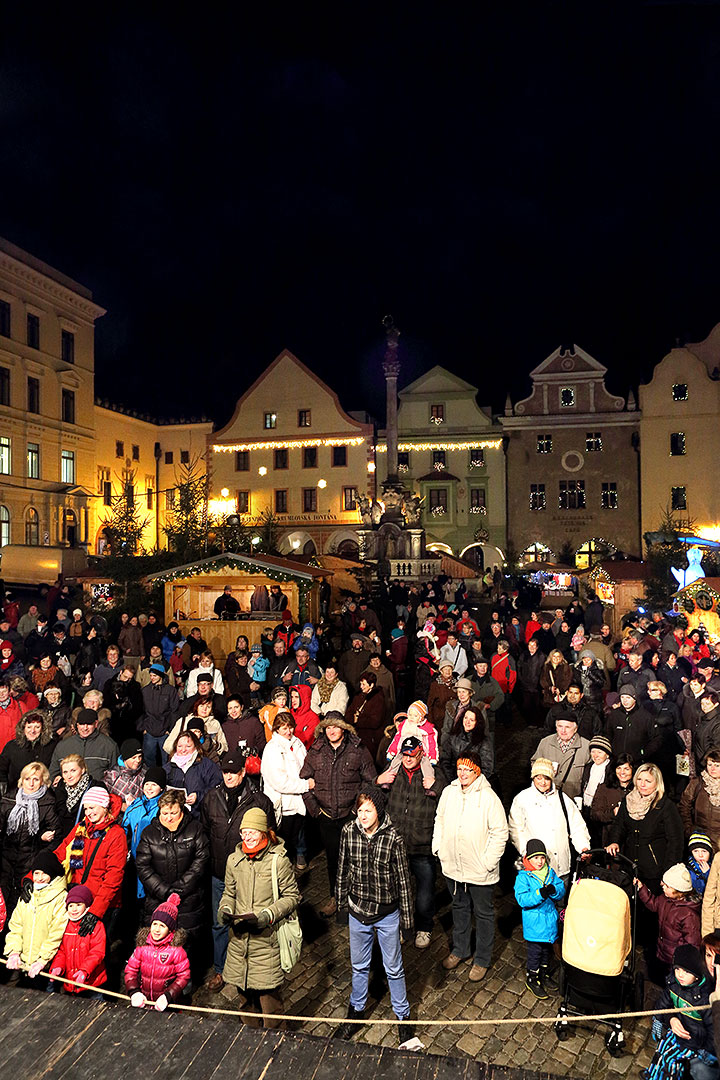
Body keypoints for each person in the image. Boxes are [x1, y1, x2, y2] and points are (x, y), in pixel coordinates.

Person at [336, 787, 414, 1045]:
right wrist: (341, 905)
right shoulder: (349, 832)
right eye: (360, 810)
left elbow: (404, 881)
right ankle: (356, 1010)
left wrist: (407, 922)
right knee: (359, 967)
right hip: (358, 912)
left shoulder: (393, 838)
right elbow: (342, 869)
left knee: (394, 968)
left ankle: (403, 1017)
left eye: (368, 810)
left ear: (378, 811)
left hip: (387, 914)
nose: (363, 815)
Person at [200, 752, 276, 993]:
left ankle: (250, 972)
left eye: (234, 772)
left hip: (250, 874)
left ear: (243, 773)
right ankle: (222, 969)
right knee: (220, 922)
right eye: (225, 772)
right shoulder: (211, 797)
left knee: (249, 923)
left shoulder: (259, 800)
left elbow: (271, 836)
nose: (229, 776)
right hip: (219, 873)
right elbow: (204, 832)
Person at [219, 806, 300, 1028]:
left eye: (252, 832)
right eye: (244, 832)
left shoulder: (278, 861)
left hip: (266, 943)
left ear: (264, 832)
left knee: (270, 1006)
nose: (248, 837)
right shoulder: (234, 860)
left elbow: (292, 897)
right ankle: (250, 1042)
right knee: (245, 1002)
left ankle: (275, 1045)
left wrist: (267, 915)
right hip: (239, 942)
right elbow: (229, 894)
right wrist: (225, 910)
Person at [433, 751, 509, 981]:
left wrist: (487, 862)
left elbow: (500, 833)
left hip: (479, 870)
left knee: (483, 914)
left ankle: (482, 959)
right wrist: (439, 847)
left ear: (476, 771)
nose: (462, 773)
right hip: (453, 866)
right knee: (459, 908)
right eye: (459, 768)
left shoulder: (488, 798)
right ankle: (460, 949)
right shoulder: (449, 792)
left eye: (467, 769)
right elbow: (440, 819)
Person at [300, 712, 377, 917]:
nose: (332, 731)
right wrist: (315, 810)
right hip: (326, 816)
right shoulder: (315, 751)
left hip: (350, 816)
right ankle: (335, 897)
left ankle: (358, 898)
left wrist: (356, 810)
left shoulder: (357, 750)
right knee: (333, 859)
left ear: (343, 728)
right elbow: (304, 781)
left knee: (356, 859)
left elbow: (370, 781)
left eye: (335, 727)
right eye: (328, 728)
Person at [378, 736, 447, 948]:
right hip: (396, 843)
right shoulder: (393, 769)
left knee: (425, 891)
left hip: (422, 842)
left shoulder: (433, 772)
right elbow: (374, 794)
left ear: (421, 754)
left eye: (412, 755)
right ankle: (402, 925)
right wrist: (377, 780)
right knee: (397, 888)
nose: (408, 759)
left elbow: (448, 795)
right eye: (405, 754)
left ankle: (424, 927)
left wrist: (436, 786)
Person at [135, 790, 209, 961]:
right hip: (157, 899)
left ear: (181, 810)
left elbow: (201, 860)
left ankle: (185, 982)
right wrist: (165, 892)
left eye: (173, 813)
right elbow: (143, 865)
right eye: (165, 813)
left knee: (185, 946)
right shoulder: (149, 832)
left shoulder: (195, 829)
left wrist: (180, 889)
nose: (169, 817)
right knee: (156, 945)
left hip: (188, 899)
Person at [53, 786, 128, 937]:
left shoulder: (116, 834)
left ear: (104, 806)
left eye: (92, 808)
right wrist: (32, 875)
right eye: (86, 809)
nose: (88, 813)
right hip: (78, 899)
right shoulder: (82, 828)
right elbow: (59, 854)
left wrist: (96, 911)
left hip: (103, 904)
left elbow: (114, 876)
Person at [508, 759, 590, 889]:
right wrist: (527, 852)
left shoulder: (562, 798)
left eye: (546, 778)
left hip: (561, 867)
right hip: (535, 869)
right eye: (538, 778)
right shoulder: (522, 799)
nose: (542, 782)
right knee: (538, 904)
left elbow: (577, 825)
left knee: (561, 904)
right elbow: (516, 830)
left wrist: (583, 847)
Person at [607, 763, 684, 894]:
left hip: (655, 871)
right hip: (630, 866)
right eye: (639, 779)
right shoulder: (628, 800)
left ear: (657, 783)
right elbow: (619, 825)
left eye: (648, 781)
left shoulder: (666, 806)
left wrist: (668, 873)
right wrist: (614, 841)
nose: (642, 784)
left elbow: (675, 842)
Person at [643, 944, 717, 1080]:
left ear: (696, 975)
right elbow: (663, 1004)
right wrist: (661, 1019)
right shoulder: (673, 984)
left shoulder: (704, 999)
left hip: (693, 1042)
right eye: (677, 969)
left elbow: (713, 1029)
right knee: (661, 1050)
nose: (680, 975)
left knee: (672, 1062)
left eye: (687, 972)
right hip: (676, 1031)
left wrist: (706, 1051)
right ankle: (653, 1075)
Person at [0, 761, 59, 911]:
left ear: (43, 781)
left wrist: (40, 844)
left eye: (36, 779)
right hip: (6, 858)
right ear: (22, 780)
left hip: (31, 859)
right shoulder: (9, 799)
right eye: (27, 779)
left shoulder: (48, 802)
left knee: (21, 901)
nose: (31, 784)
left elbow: (56, 834)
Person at [3, 850, 67, 981]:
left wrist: (43, 959)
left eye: (44, 873)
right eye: (36, 873)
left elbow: (57, 933)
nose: (40, 877)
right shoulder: (28, 895)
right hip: (24, 963)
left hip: (46, 966)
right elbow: (16, 926)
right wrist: (14, 951)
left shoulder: (60, 898)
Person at [514, 838, 565, 999]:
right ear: (528, 858)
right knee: (535, 953)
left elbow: (560, 889)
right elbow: (522, 899)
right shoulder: (523, 877)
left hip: (549, 921)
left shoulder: (550, 872)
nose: (540, 861)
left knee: (545, 952)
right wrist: (539, 893)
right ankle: (532, 979)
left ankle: (544, 974)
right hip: (535, 924)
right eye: (536, 858)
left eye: (542, 857)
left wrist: (554, 890)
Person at [125, 892, 192, 1011]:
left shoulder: (176, 951)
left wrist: (169, 995)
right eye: (154, 924)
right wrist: (134, 991)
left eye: (162, 926)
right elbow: (130, 970)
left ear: (170, 929)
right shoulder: (142, 947)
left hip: (167, 1004)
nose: (156, 929)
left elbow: (184, 976)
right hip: (144, 1001)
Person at [637, 863, 702, 985]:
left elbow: (692, 943)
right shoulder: (665, 899)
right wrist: (642, 888)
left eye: (667, 886)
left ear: (678, 891)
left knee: (672, 981)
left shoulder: (689, 915)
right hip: (663, 951)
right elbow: (653, 904)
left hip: (675, 959)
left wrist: (683, 962)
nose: (662, 886)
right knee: (661, 977)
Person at [261, 713, 310, 870]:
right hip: (283, 806)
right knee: (284, 843)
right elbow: (279, 782)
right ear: (277, 729)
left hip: (299, 803)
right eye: (284, 728)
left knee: (297, 836)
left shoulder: (298, 744)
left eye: (290, 727)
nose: (288, 732)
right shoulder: (272, 748)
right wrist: (305, 786)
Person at [49, 884, 107, 996]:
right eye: (71, 905)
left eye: (79, 905)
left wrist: (84, 970)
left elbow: (97, 952)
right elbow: (62, 951)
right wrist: (57, 966)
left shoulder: (96, 926)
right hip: (70, 983)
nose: (74, 909)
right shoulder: (65, 925)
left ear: (86, 906)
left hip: (92, 984)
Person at [48, 708, 119, 782]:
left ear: (96, 724)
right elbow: (53, 774)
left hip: (97, 791)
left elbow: (116, 775)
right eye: (81, 724)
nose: (85, 728)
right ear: (77, 725)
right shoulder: (63, 746)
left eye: (89, 724)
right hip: (66, 792)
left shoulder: (109, 745)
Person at [533, 715, 591, 802]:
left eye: (567, 727)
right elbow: (534, 763)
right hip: (547, 797)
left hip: (572, 798)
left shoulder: (586, 747)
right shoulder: (545, 742)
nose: (563, 730)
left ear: (575, 729)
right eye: (560, 726)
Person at [164, 731, 222, 814]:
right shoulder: (168, 767)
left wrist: (198, 796)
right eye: (180, 746)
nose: (183, 750)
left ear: (196, 746)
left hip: (199, 813)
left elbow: (217, 785)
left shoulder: (206, 765)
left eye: (188, 746)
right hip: (174, 814)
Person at [0, 710, 56, 793]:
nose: (32, 731)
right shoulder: (12, 746)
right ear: (23, 728)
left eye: (37, 727)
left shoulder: (52, 746)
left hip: (43, 793)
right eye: (29, 727)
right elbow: (1, 769)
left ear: (43, 729)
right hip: (15, 791)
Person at [139, 664, 180, 767]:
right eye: (151, 675)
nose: (152, 678)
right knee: (149, 757)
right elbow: (141, 711)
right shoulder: (145, 691)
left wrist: (170, 729)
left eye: (155, 676)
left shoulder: (170, 691)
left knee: (166, 758)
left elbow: (174, 711)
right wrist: (143, 727)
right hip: (149, 729)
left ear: (161, 676)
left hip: (165, 729)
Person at [591, 754, 635, 845]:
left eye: (626, 769)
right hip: (610, 840)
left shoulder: (639, 789)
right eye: (619, 768)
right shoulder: (604, 788)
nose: (622, 772)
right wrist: (613, 813)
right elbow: (595, 814)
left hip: (633, 840)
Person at [682, 751, 720, 851]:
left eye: (717, 765)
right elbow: (683, 806)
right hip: (700, 840)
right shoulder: (697, 783)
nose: (712, 768)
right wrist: (689, 829)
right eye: (710, 764)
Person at [346, 672, 385, 758]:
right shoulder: (358, 696)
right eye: (360, 684)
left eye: (364, 684)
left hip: (370, 737)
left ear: (371, 685)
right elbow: (348, 712)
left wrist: (358, 720)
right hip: (355, 733)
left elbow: (375, 721)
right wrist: (353, 719)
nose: (361, 687)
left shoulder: (378, 699)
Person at [103, 738, 146, 811]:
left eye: (140, 756)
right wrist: (120, 805)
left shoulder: (144, 773)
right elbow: (103, 798)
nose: (138, 760)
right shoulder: (113, 774)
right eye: (134, 758)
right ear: (125, 759)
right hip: (116, 815)